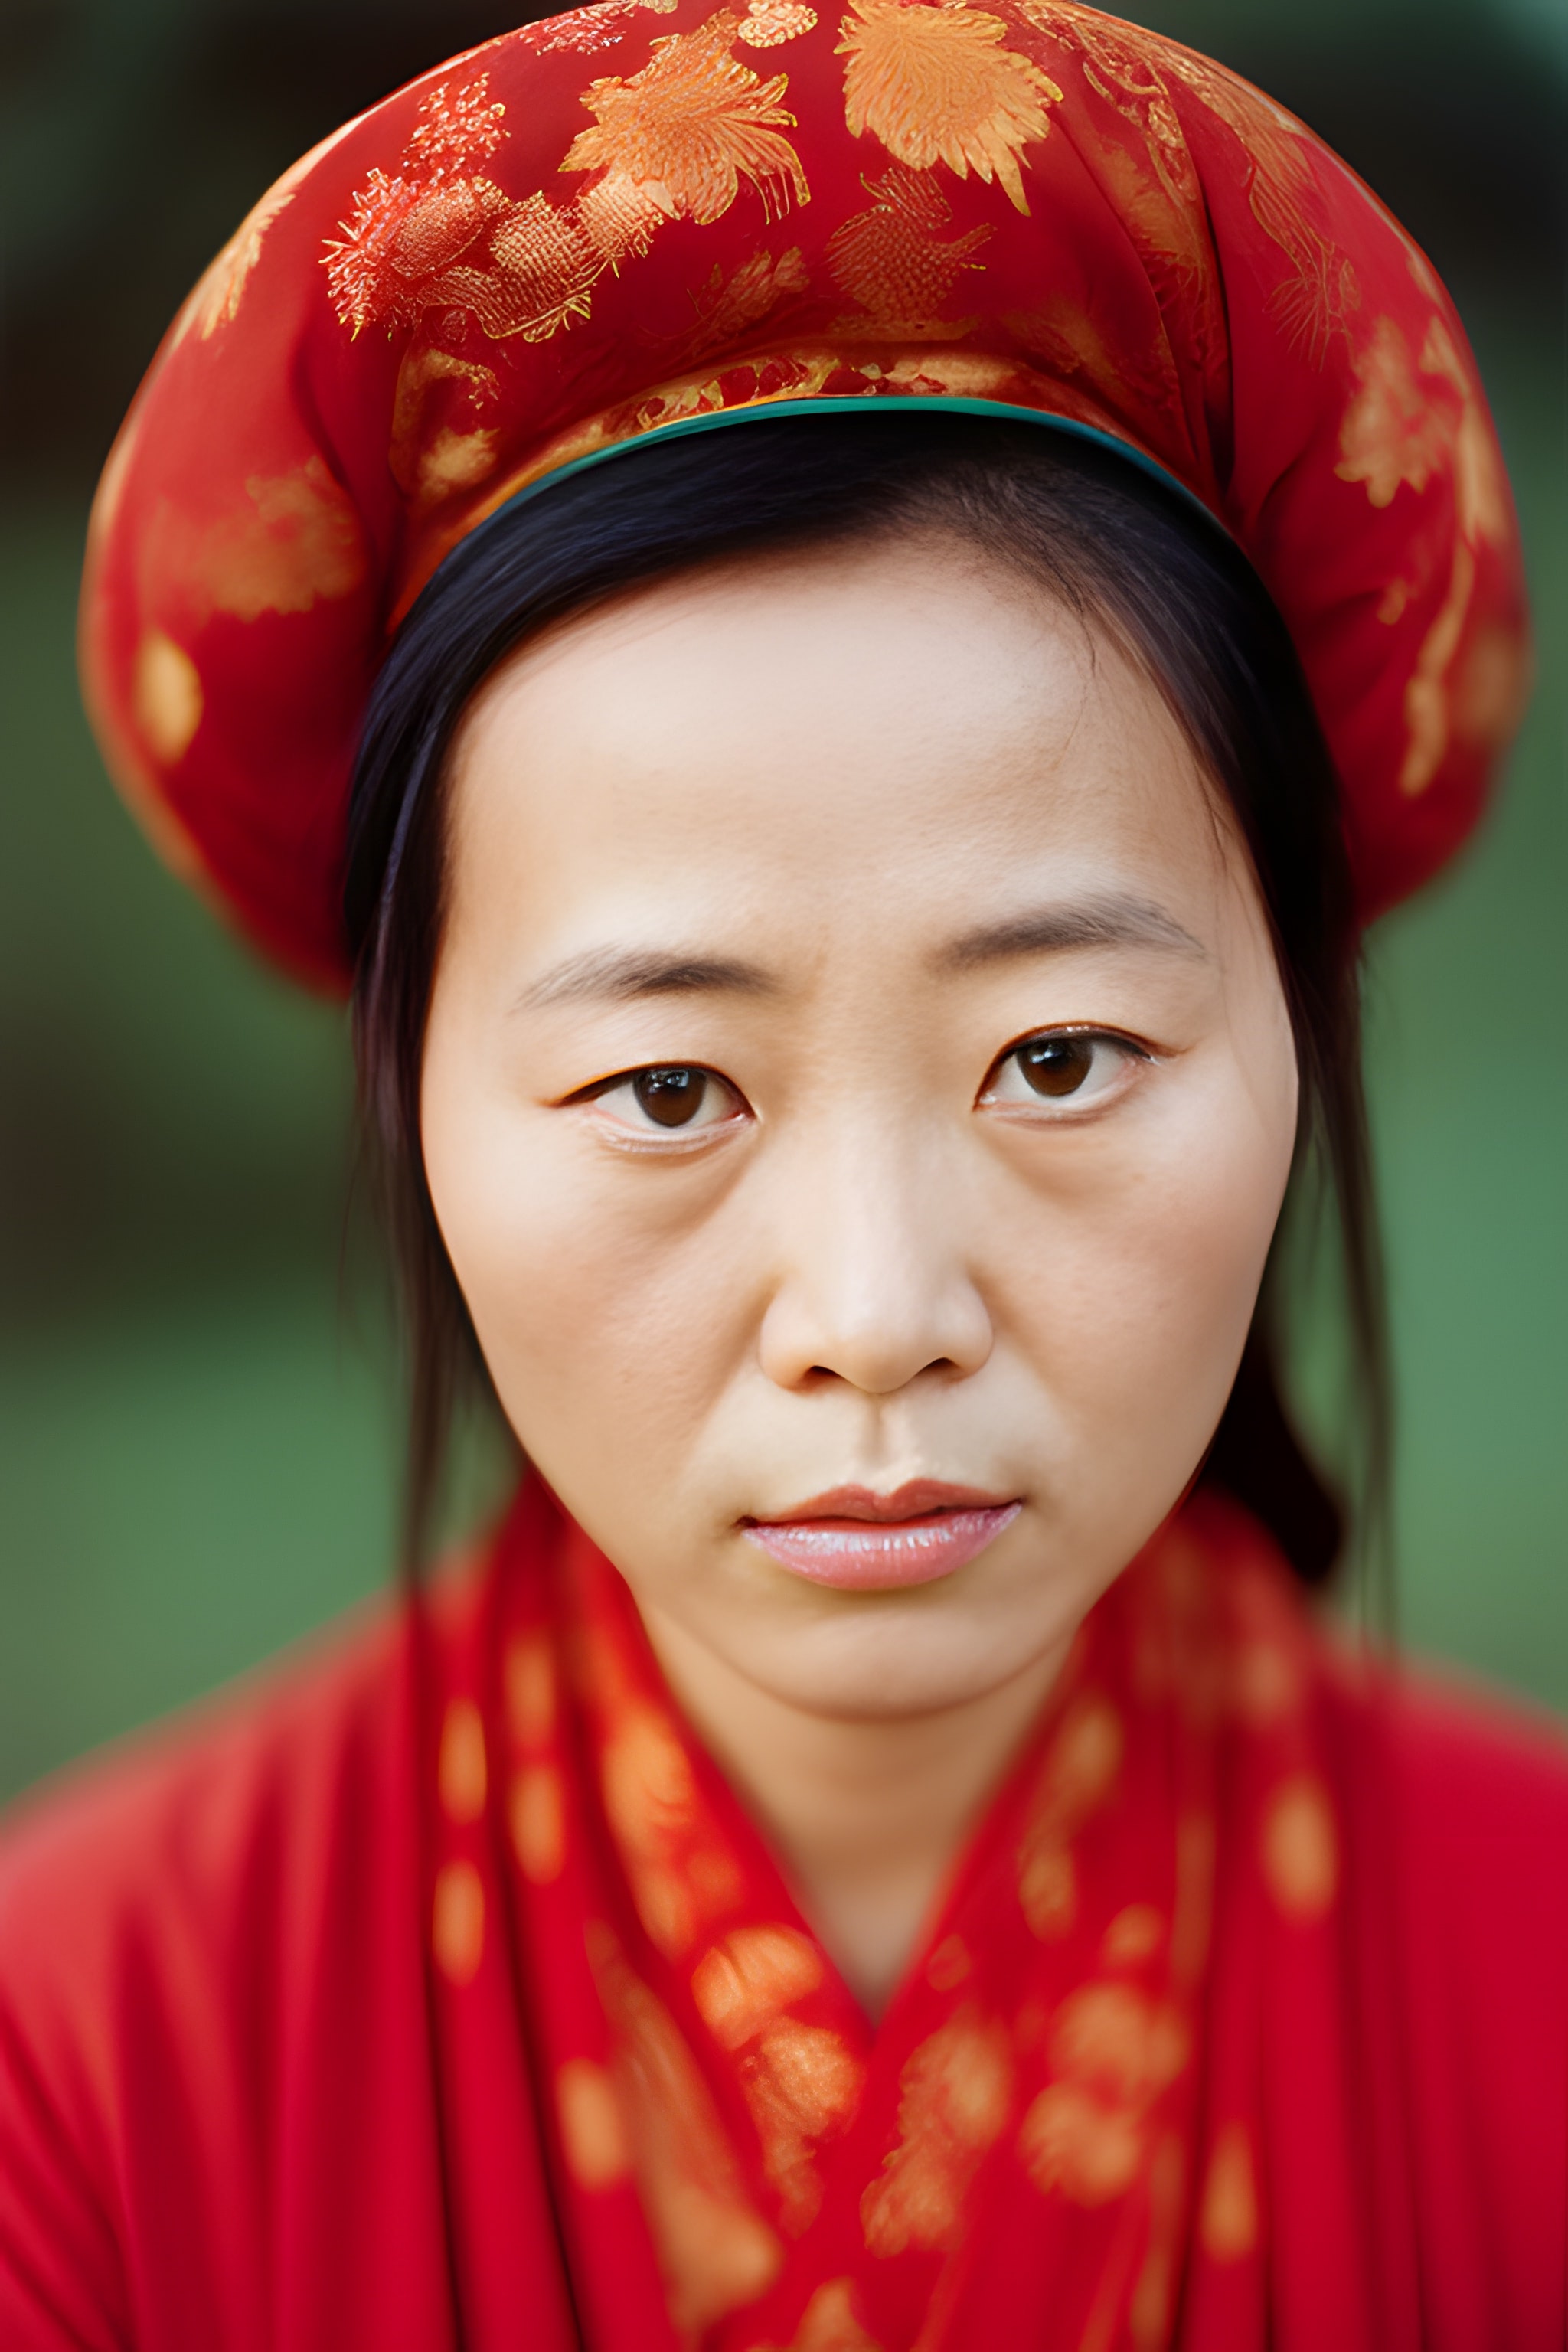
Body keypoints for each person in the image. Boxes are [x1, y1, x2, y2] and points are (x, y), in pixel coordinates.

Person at [0, 1, 1561, 2344]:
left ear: (1296, 1026)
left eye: (1059, 1054)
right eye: (666, 1087)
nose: (875, 1304)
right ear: (413, 1094)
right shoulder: (87, 2068)